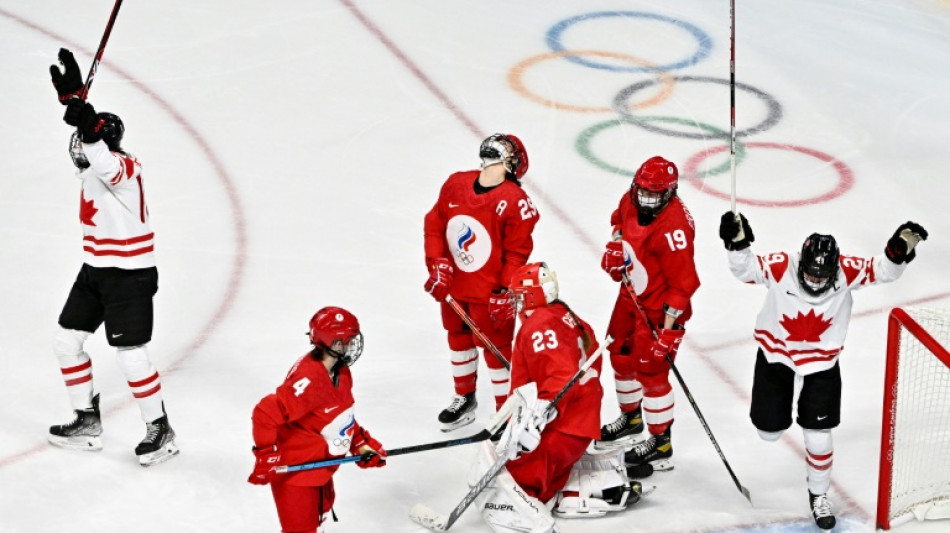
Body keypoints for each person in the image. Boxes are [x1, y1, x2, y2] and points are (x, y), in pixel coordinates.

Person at [719, 212, 928, 531]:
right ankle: (774, 423)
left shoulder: (846, 270)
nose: (816, 282)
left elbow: (883, 271)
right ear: (801, 264)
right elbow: (746, 270)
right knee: (768, 432)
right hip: (776, 356)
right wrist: (737, 245)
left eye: (822, 277)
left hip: (822, 364)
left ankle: (819, 494)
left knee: (818, 436)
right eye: (811, 275)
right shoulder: (782, 266)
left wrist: (897, 251)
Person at [46, 48, 177, 466]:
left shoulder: (124, 168)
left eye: (86, 139)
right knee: (66, 341)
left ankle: (160, 429)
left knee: (131, 355)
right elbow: (91, 147)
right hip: (96, 271)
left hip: (129, 275)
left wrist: (88, 124)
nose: (78, 147)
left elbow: (103, 161)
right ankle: (86, 421)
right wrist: (75, 102)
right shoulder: (91, 168)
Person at [472, 262, 646, 533]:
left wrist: (541, 413)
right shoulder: (565, 314)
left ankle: (585, 490)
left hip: (563, 427)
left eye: (519, 297)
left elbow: (561, 375)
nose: (516, 304)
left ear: (532, 296)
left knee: (511, 483)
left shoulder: (540, 325)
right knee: (532, 469)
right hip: (577, 425)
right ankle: (581, 483)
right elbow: (587, 365)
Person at [423, 133, 539, 431]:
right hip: (455, 283)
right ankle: (465, 398)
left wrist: (506, 289)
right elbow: (434, 224)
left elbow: (517, 252)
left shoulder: (516, 201)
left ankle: (506, 412)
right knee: (457, 336)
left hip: (490, 291)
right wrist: (436, 263)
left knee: (495, 348)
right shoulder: (456, 183)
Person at [597, 156, 700, 472]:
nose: (645, 199)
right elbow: (619, 220)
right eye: (642, 191)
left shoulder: (674, 230)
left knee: (652, 373)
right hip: (630, 295)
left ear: (669, 193)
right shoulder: (630, 199)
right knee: (619, 354)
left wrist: (668, 331)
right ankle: (631, 419)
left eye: (653, 195)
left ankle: (660, 442)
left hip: (659, 310)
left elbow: (683, 285)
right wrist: (616, 246)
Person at [248, 306, 386, 533]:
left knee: (319, 521)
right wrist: (266, 456)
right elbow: (265, 413)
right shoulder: (309, 380)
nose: (353, 345)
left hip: (319, 469)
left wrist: (360, 443)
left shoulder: (340, 371)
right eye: (349, 340)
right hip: (296, 474)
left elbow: (337, 416)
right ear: (335, 343)